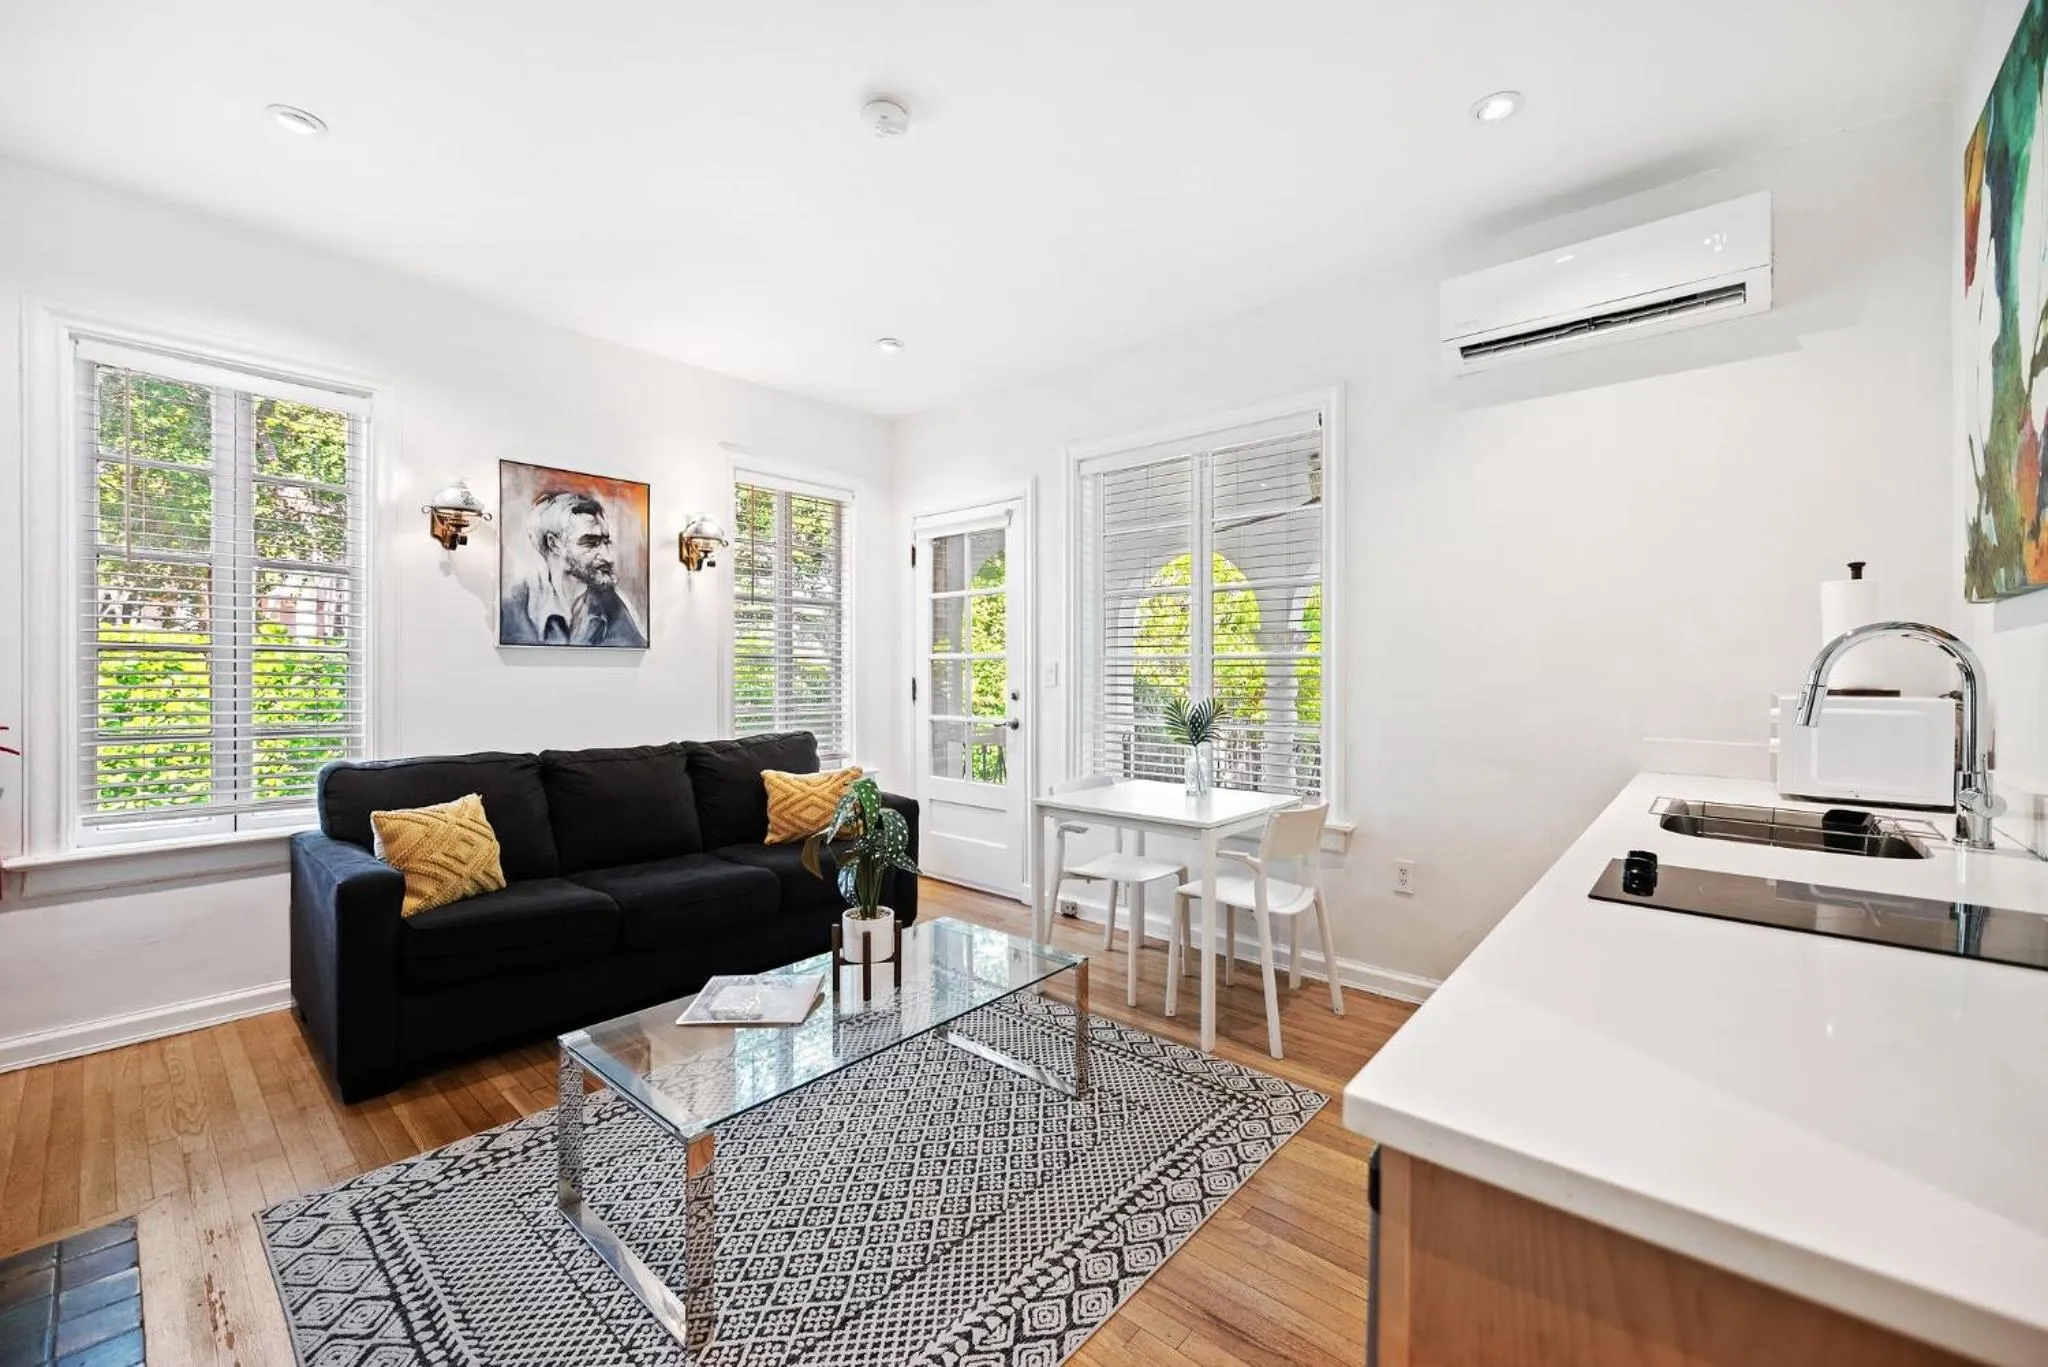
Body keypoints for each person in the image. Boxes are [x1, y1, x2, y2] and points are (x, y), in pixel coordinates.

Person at [500, 490, 647, 647]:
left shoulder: (611, 605)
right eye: (590, 543)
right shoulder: (513, 605)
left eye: (605, 542)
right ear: (554, 544)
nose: (607, 557)